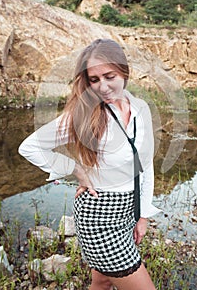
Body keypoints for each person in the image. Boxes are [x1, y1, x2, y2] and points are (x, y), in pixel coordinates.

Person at [19, 38, 161, 290]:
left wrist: (143, 215)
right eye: (94, 80)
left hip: (129, 210)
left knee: (102, 281)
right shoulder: (83, 114)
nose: (103, 87)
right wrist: (75, 169)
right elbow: (30, 146)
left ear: (124, 71)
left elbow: (145, 164)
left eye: (109, 76)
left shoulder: (141, 108)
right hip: (99, 216)